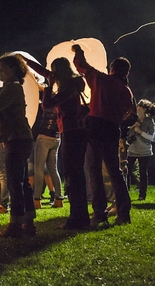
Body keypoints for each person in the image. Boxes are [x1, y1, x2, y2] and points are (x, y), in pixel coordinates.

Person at [72, 44, 134, 226]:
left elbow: (81, 65)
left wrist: (77, 50)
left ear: (112, 68)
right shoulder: (126, 91)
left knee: (94, 170)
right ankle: (124, 213)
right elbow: (125, 115)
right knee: (114, 171)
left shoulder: (102, 80)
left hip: (96, 126)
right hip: (113, 129)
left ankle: (99, 213)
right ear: (127, 73)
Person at [24, 55, 89, 229]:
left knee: (72, 173)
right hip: (72, 131)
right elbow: (44, 72)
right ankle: (80, 215)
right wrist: (27, 61)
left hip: (71, 131)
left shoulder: (68, 89)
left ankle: (78, 217)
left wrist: (49, 86)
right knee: (72, 173)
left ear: (58, 72)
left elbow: (47, 105)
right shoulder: (73, 83)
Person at [0, 54, 36, 238]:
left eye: (3, 68)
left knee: (15, 182)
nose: (0, 72)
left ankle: (16, 224)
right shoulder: (10, 87)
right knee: (21, 182)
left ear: (14, 70)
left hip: (17, 138)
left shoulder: (12, 88)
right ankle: (28, 222)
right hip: (18, 138)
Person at [126, 99, 155, 201]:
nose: (138, 110)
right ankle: (126, 194)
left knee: (143, 173)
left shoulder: (149, 121)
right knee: (127, 172)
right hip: (132, 150)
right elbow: (125, 130)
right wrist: (133, 126)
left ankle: (142, 195)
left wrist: (140, 131)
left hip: (145, 151)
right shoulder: (133, 118)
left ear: (144, 109)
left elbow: (152, 137)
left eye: (140, 109)